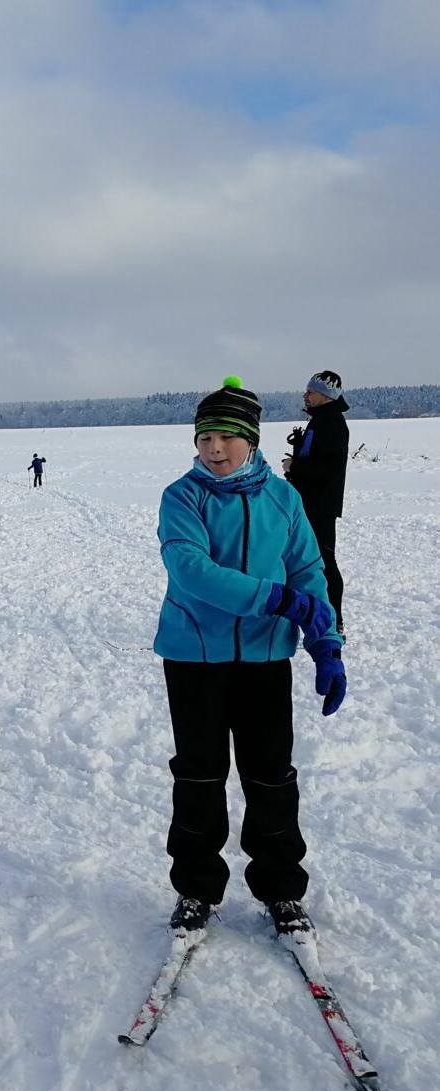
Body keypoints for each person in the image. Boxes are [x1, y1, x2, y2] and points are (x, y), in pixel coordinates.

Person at [153, 378, 345, 940]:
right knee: (198, 774)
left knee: (270, 777)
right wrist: (276, 598)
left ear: (252, 439)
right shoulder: (181, 497)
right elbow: (191, 571)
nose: (214, 448)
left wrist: (326, 643)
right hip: (194, 660)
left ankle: (282, 890)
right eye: (205, 436)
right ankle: (195, 889)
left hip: (265, 661)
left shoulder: (284, 499)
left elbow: (309, 571)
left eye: (227, 437)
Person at [283, 370, 350, 636]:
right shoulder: (321, 421)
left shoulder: (332, 423)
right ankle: (312, 615)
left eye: (310, 392)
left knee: (324, 562)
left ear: (326, 395)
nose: (305, 395)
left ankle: (334, 621)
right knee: (303, 560)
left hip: (320, 506)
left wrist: (295, 465)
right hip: (307, 502)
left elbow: (328, 471)